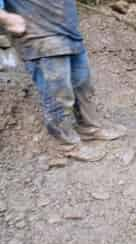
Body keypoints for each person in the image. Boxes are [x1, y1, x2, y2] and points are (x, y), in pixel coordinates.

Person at [0, 1, 125, 148]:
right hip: (40, 36)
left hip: (69, 33)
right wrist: (6, 18)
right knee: (58, 96)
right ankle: (67, 145)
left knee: (83, 86)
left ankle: (90, 128)